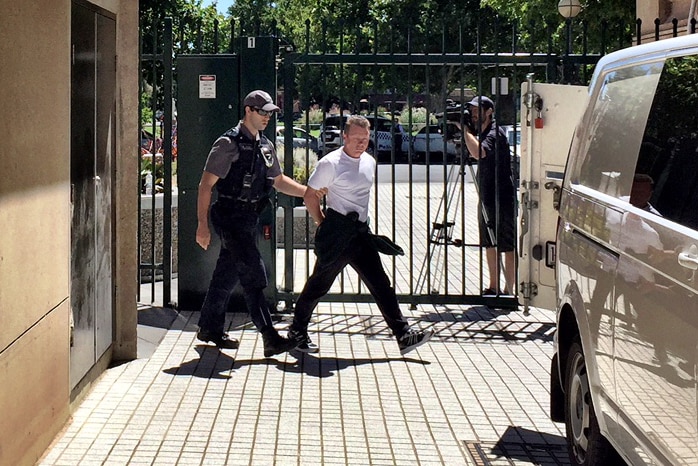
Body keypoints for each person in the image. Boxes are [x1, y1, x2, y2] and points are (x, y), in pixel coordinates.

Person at [288, 115, 434, 355]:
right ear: (344, 136)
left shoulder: (369, 161)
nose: (361, 143)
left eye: (365, 139)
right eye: (356, 138)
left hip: (360, 234)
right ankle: (297, 331)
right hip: (338, 234)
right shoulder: (330, 163)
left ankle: (403, 334)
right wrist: (322, 222)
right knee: (318, 285)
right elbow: (310, 195)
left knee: (381, 284)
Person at [195, 90, 314, 358]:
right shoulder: (227, 144)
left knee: (227, 273)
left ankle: (209, 327)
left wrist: (307, 192)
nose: (267, 117)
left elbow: (278, 180)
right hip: (229, 216)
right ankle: (270, 337)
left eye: (270, 113)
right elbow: (205, 186)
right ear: (248, 110)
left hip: (249, 218)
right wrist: (202, 225)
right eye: (263, 112)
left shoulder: (265, 145)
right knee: (254, 275)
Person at [463, 96, 516, 296]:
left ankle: (509, 289)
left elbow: (479, 153)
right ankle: (493, 287)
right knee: (488, 241)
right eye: (472, 111)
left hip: (502, 197)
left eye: (478, 110)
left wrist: (466, 132)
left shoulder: (495, 132)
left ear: (489, 111)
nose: (474, 115)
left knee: (506, 242)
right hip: (486, 195)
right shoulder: (481, 132)